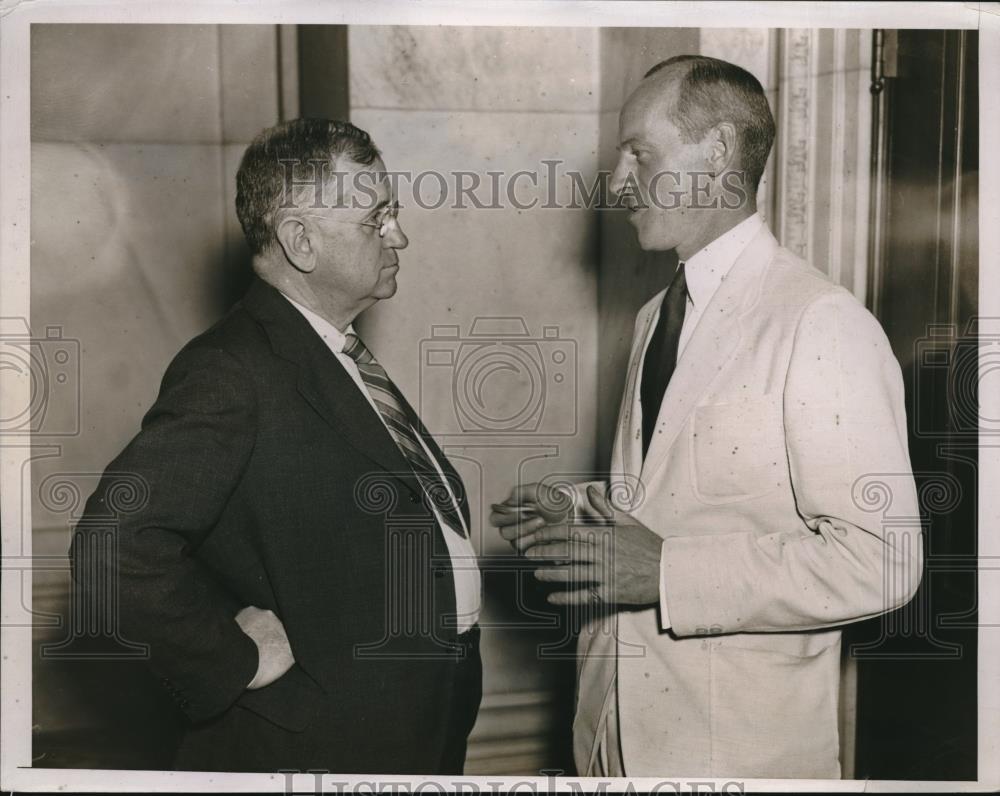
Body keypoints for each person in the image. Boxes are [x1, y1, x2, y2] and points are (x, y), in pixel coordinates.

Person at [491, 55, 922, 778]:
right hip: (609, 735)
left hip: (738, 754)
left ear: (717, 151)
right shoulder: (655, 314)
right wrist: (579, 515)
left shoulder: (819, 320)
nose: (619, 182)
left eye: (639, 153)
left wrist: (666, 574)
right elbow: (681, 504)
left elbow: (883, 561)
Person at [69, 119, 482, 774]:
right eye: (377, 218)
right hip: (316, 748)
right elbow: (112, 545)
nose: (399, 235)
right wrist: (232, 660)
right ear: (301, 240)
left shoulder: (329, 350)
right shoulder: (231, 369)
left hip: (409, 728)